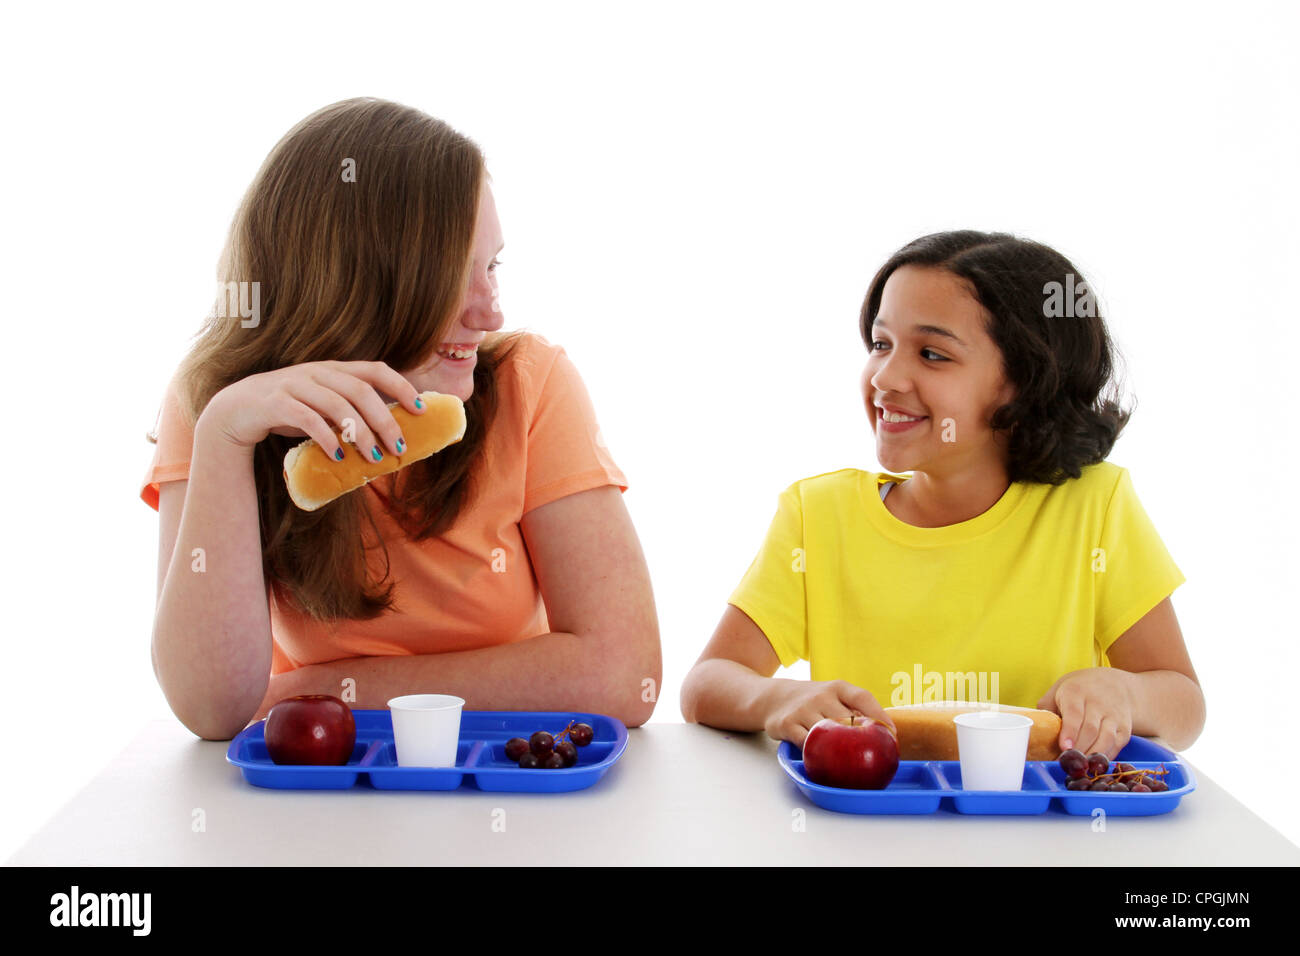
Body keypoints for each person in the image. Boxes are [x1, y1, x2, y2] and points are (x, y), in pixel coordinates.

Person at [144, 97, 660, 740]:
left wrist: (320, 690)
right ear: (355, 281)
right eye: (453, 275)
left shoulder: (530, 382)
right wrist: (223, 439)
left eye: (491, 266)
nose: (490, 312)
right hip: (318, 794)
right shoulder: (219, 405)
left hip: (505, 780)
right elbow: (212, 708)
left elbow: (624, 675)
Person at [680, 230, 1205, 760]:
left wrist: (1125, 693)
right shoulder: (818, 515)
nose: (886, 377)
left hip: (1044, 835)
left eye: (932, 354)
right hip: (864, 833)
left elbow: (1184, 705)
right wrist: (775, 697)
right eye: (881, 344)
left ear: (1025, 383)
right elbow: (705, 685)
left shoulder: (1095, 506)